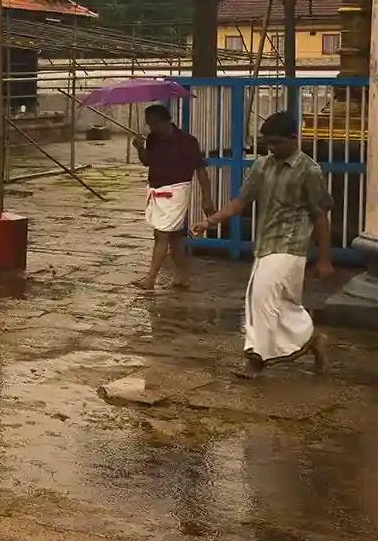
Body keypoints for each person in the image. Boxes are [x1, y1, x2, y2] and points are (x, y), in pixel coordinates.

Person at [193, 111, 332, 379]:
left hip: (292, 245)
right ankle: (313, 339)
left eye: (277, 143)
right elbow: (240, 202)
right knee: (284, 303)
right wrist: (209, 222)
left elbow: (320, 216)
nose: (272, 148)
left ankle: (256, 359)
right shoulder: (261, 166)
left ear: (294, 138)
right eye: (268, 143)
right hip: (265, 243)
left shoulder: (310, 170)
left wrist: (325, 259)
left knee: (259, 297)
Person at [131, 103, 213, 290]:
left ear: (166, 120)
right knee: (174, 237)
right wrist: (140, 148)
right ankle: (183, 276)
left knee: (161, 233)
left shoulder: (187, 141)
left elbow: (201, 171)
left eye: (155, 123)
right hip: (156, 190)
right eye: (149, 124)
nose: (152, 128)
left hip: (176, 191)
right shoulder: (153, 138)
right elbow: (147, 161)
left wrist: (206, 198)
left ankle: (150, 279)